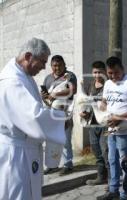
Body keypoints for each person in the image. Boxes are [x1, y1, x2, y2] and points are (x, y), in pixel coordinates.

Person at [0, 38, 66, 200]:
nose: (44, 67)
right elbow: (33, 116)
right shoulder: (12, 82)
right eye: (42, 62)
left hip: (25, 149)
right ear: (28, 56)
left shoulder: (24, 76)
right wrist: (61, 119)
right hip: (16, 155)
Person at [97, 56, 127, 200]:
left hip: (125, 129)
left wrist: (120, 117)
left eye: (116, 72)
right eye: (110, 73)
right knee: (112, 159)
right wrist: (101, 112)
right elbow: (105, 103)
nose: (113, 76)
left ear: (122, 69)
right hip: (111, 129)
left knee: (124, 161)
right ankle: (113, 190)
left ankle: (126, 193)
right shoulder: (108, 84)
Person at [42, 55, 77, 175]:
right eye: (54, 65)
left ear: (64, 64)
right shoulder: (47, 78)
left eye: (59, 65)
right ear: (51, 66)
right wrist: (44, 96)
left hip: (65, 112)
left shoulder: (69, 76)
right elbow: (46, 95)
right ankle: (52, 164)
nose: (57, 68)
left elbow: (73, 90)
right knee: (51, 140)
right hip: (51, 112)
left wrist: (55, 95)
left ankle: (68, 164)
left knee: (65, 139)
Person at [79, 61, 109, 186]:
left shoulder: (109, 86)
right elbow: (84, 103)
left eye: (100, 72)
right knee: (96, 151)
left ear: (105, 72)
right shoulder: (90, 86)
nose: (97, 75)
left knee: (105, 151)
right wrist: (83, 113)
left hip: (106, 123)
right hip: (92, 123)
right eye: (95, 72)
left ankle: (113, 181)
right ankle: (101, 177)